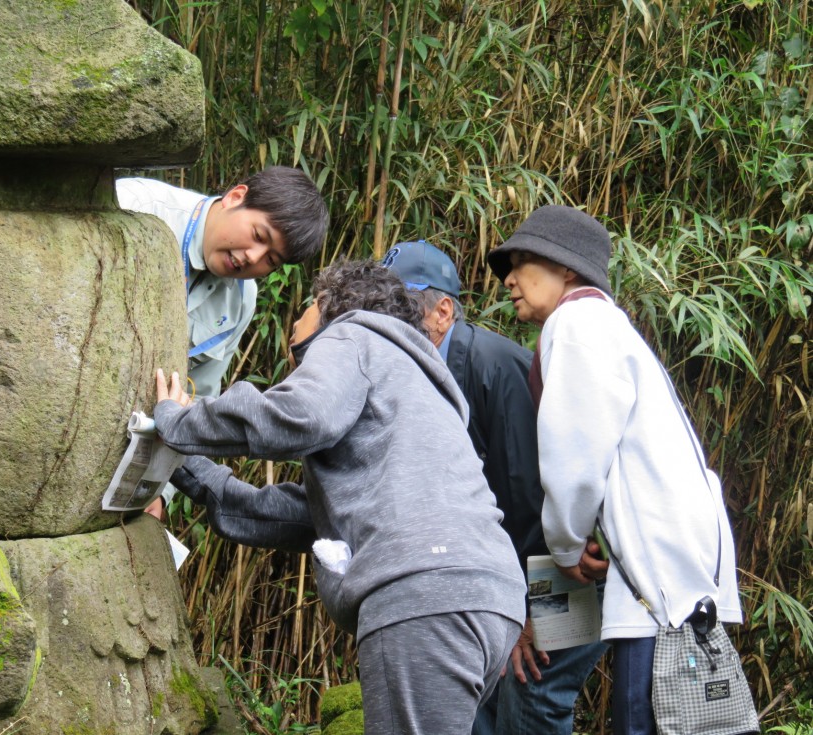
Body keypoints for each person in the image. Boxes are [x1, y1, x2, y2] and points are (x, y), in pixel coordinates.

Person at [153, 260, 527, 735]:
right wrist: (180, 463)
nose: (296, 320)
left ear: (330, 308)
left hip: (424, 593)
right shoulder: (415, 384)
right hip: (490, 597)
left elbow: (304, 415)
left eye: (307, 305)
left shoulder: (351, 335)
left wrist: (179, 420)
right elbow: (291, 515)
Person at [486, 205, 743, 735]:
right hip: (627, 560)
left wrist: (563, 547)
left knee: (627, 706)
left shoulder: (578, 322)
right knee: (552, 682)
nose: (508, 278)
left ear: (568, 268)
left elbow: (576, 463)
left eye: (523, 261)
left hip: (633, 567)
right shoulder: (601, 325)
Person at [382, 240, 608, 735]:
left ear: (442, 311)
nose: (381, 324)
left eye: (395, 309)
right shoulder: (423, 373)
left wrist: (531, 613)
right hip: (513, 573)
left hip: (569, 562)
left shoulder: (492, 366)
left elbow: (535, 497)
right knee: (483, 696)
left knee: (535, 691)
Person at [115, 167, 328, 513]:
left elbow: (195, 398)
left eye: (271, 260)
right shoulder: (137, 208)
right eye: (259, 235)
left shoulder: (242, 299)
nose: (252, 258)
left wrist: (158, 491)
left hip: (123, 468)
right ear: (235, 197)